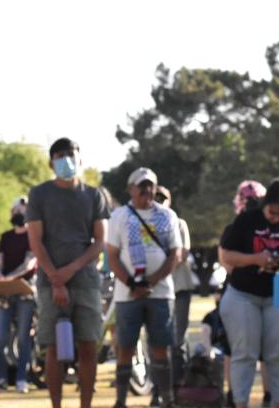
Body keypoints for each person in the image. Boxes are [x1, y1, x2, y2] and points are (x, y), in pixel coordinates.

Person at [25, 137, 108, 408]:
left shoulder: (94, 195)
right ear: (51, 163)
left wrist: (71, 269)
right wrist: (56, 278)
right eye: (60, 156)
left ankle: (86, 404)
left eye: (71, 155)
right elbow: (36, 241)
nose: (67, 161)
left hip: (85, 281)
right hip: (50, 283)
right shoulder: (39, 194)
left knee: (88, 345)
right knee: (54, 347)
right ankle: (56, 405)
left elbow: (100, 241)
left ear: (80, 158)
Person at [219, 181, 279, 408]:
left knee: (278, 354)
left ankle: (277, 402)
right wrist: (255, 259)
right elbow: (227, 255)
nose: (275, 217)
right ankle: (240, 403)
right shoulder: (247, 219)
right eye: (271, 212)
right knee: (244, 354)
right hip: (243, 294)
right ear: (264, 205)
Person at [106, 168, 182, 408]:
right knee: (125, 347)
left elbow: (175, 253)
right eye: (142, 186)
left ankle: (164, 398)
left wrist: (153, 280)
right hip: (127, 294)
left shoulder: (167, 215)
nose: (147, 191)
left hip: (160, 293)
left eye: (151, 186)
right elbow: (113, 256)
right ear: (131, 189)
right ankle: (120, 400)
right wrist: (131, 283)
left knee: (160, 347)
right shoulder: (119, 216)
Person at [0, 197, 38, 394]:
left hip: (24, 292)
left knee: (24, 336)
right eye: (16, 210)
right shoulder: (6, 237)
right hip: (4, 294)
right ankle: (1, 377)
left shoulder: (33, 235)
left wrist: (8, 278)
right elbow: (0, 259)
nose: (18, 213)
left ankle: (22, 378)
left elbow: (29, 263)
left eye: (22, 210)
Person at [157, 186, 194, 391]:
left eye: (163, 199)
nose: (160, 202)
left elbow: (182, 254)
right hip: (159, 290)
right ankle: (161, 388)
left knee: (178, 340)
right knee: (160, 341)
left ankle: (180, 385)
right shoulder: (149, 226)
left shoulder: (179, 224)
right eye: (156, 198)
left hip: (179, 288)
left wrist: (161, 261)